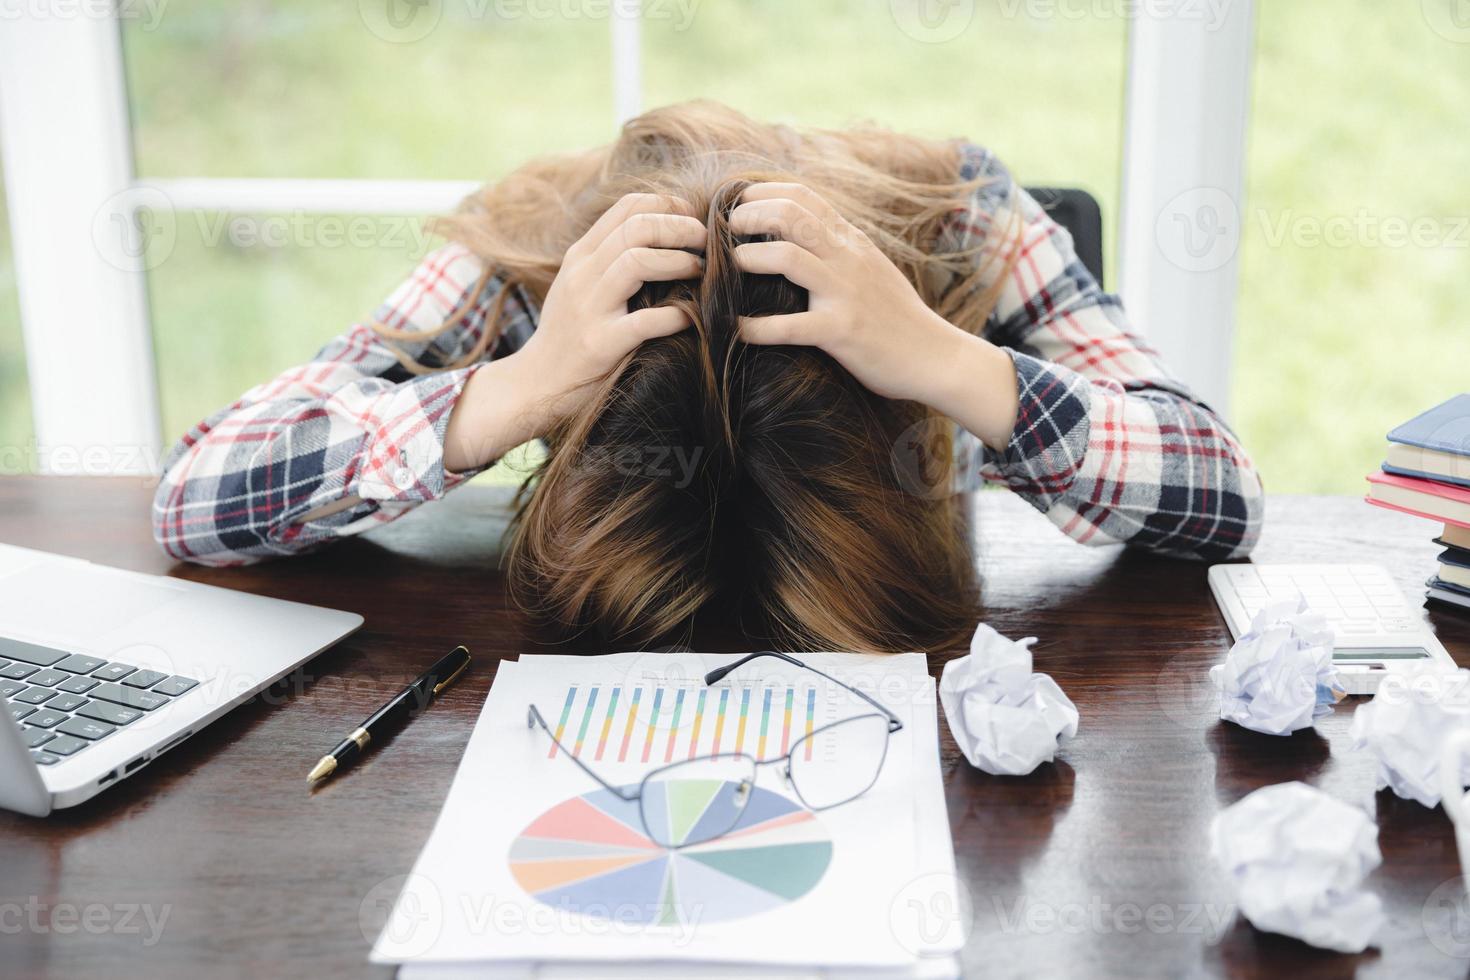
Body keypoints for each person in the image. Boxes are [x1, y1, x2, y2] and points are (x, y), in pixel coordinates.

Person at [152, 101, 1263, 653]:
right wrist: (520, 383)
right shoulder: (538, 257)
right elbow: (197, 492)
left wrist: (937, 354)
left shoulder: (967, 219)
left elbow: (1224, 492)